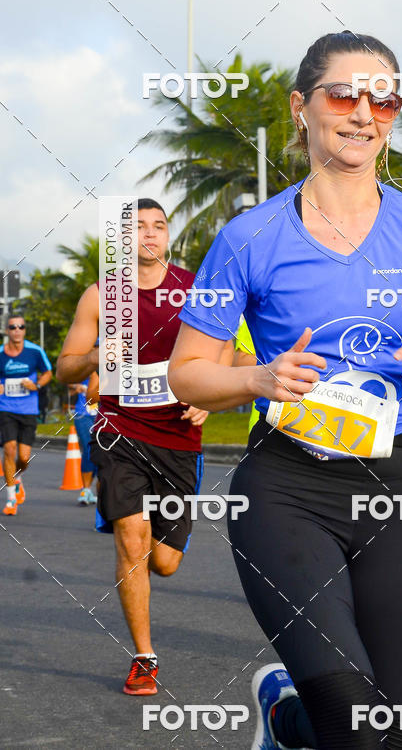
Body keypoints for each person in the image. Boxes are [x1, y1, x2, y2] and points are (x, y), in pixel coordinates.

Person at [168, 31, 402, 749]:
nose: (365, 112)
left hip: (398, 485)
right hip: (288, 489)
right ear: (301, 107)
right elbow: (186, 373)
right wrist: (257, 378)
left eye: (384, 97)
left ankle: (284, 720)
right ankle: (296, 710)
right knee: (352, 724)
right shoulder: (249, 235)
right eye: (345, 93)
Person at [56, 198, 230, 695]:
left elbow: (226, 351)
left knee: (164, 562)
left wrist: (210, 395)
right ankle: (144, 657)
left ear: (167, 236)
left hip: (179, 438)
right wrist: (94, 355)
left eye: (159, 226)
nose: (150, 235)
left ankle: (158, 534)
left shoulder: (193, 289)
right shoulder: (100, 296)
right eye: (138, 228)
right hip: (119, 432)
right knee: (131, 538)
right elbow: (66, 366)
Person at [0, 315, 52, 515]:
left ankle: (18, 477)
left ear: (24, 330)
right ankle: (11, 498)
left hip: (28, 410)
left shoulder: (34, 351)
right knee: (9, 449)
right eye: (13, 327)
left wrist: (36, 385)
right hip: (6, 408)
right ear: (7, 331)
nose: (17, 330)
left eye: (21, 326)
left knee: (23, 457)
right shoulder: (1, 354)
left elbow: (48, 372)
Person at [68, 377, 98, 505]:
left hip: (102, 414)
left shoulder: (110, 363)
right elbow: (67, 379)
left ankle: (92, 489)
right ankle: (85, 490)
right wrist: (76, 386)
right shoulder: (85, 363)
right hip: (83, 414)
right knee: (88, 449)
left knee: (100, 452)